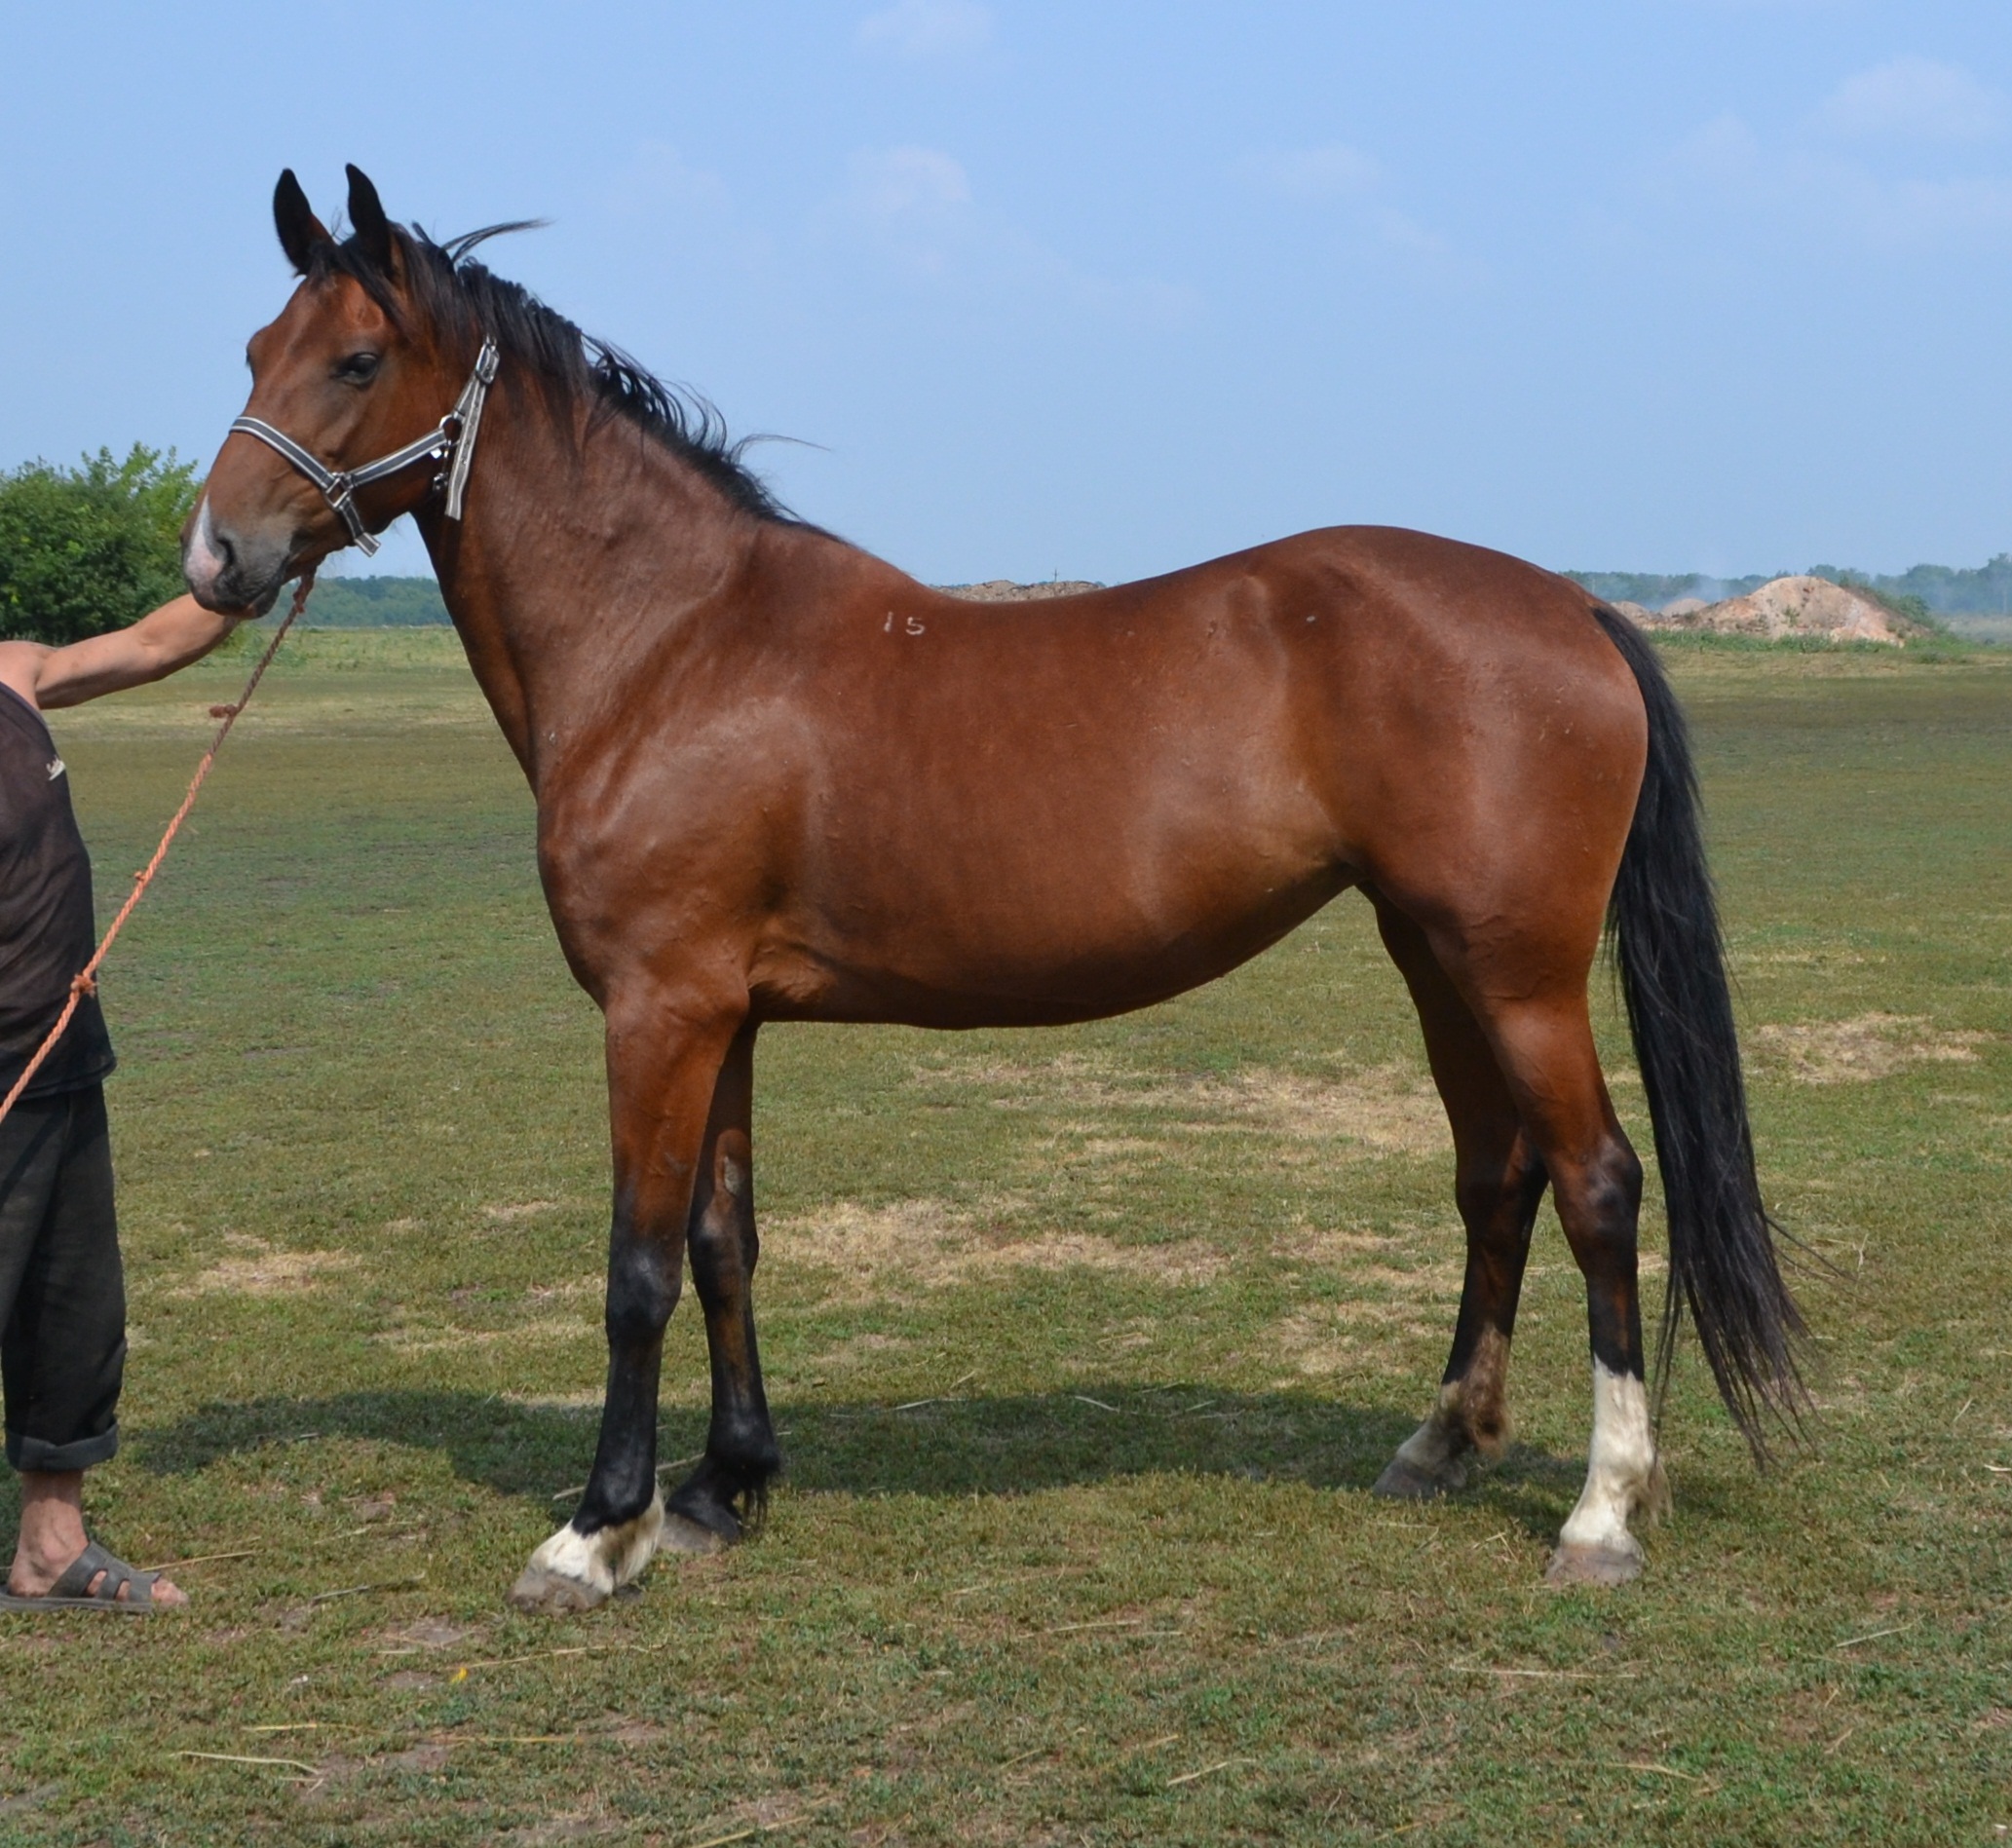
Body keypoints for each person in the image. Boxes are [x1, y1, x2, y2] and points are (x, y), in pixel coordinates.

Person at [0, 592, 249, 1610]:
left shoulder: (14, 672)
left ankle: (51, 1549)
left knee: (75, 1313)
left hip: (61, 1059)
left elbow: (154, 643)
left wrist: (254, 566)